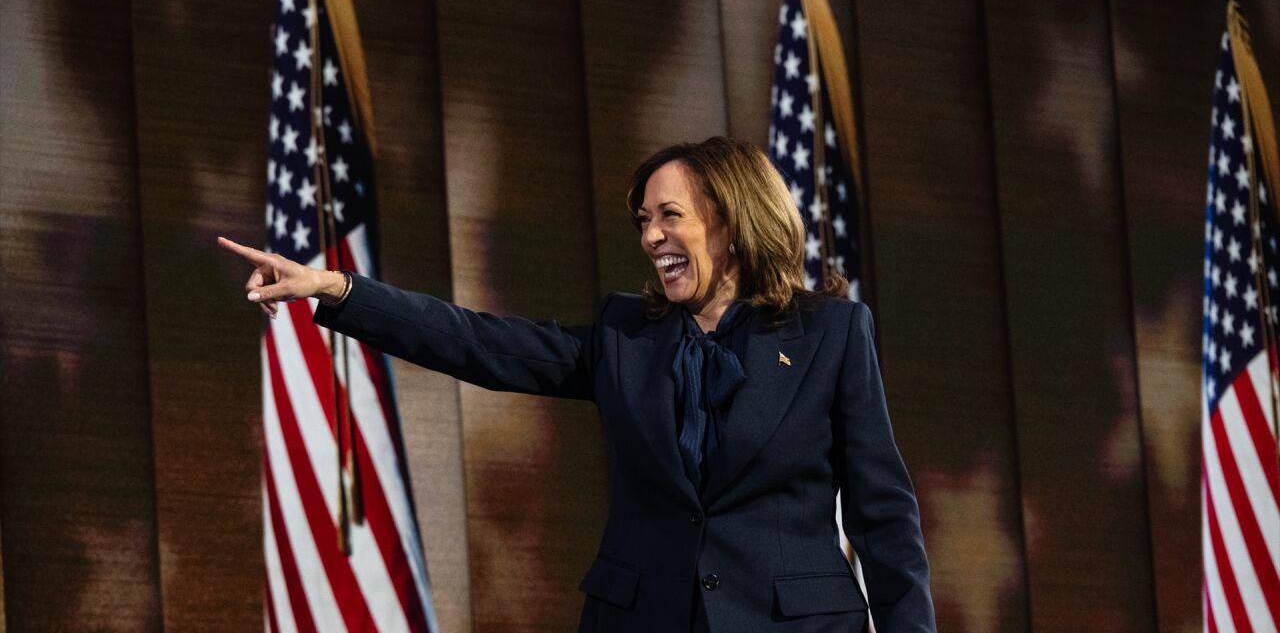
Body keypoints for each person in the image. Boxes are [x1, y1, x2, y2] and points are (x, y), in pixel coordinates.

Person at [220, 136, 935, 632]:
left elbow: (883, 514)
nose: (650, 237)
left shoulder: (831, 334)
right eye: (644, 221)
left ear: (731, 220)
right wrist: (338, 289)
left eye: (670, 216)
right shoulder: (627, 337)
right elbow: (479, 343)